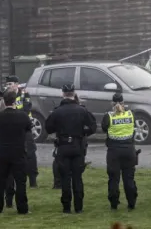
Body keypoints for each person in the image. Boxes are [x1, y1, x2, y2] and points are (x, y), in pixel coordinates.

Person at [45, 84, 97, 214]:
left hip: (63, 146)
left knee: (65, 178)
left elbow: (48, 128)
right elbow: (93, 127)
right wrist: (83, 132)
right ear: (74, 93)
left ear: (62, 94)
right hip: (77, 145)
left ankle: (66, 207)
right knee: (77, 177)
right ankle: (79, 207)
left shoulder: (57, 111)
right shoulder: (82, 110)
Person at [0, 88, 32, 214]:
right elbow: (28, 129)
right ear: (15, 101)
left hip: (2, 151)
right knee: (20, 182)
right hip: (18, 152)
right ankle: (22, 208)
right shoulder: (23, 116)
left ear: (4, 100)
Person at [101, 92, 138, 211]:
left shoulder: (109, 116)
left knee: (113, 178)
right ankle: (131, 203)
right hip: (129, 150)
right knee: (129, 178)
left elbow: (103, 128)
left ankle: (114, 204)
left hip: (114, 151)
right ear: (123, 103)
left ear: (112, 103)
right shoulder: (131, 114)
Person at [5, 75, 38, 188]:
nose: (8, 86)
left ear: (16, 84)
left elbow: (26, 109)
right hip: (11, 128)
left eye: (10, 84)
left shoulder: (24, 94)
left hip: (25, 127)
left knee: (30, 153)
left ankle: (33, 180)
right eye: (7, 84)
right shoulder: (5, 95)